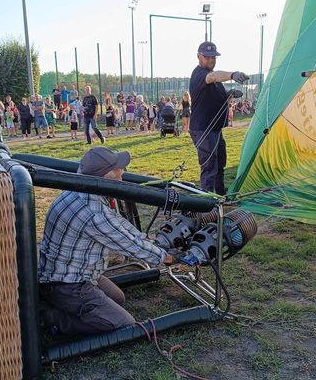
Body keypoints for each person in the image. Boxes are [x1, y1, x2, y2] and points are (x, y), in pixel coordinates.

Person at [37, 146, 175, 335]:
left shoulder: (78, 189)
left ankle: (54, 302)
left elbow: (118, 226)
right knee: (123, 324)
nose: (124, 171)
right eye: (120, 168)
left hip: (65, 273)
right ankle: (48, 317)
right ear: (108, 176)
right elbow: (129, 245)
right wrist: (168, 258)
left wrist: (147, 239)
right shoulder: (92, 211)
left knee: (118, 298)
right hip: (67, 284)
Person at [189, 41, 248, 194]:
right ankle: (207, 202)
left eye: (213, 57)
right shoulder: (200, 74)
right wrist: (232, 75)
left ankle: (220, 195)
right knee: (209, 167)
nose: (211, 60)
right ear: (199, 56)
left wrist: (230, 94)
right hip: (203, 129)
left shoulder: (214, 79)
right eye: (207, 57)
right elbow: (213, 77)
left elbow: (215, 95)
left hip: (215, 129)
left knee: (220, 163)